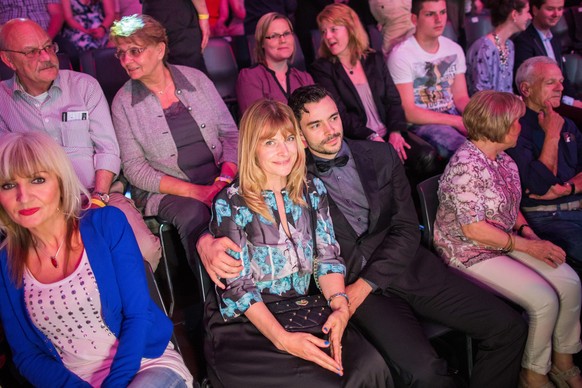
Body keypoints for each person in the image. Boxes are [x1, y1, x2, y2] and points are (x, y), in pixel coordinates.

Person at [198, 85, 528, 387]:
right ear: (300, 135)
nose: (330, 131)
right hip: (352, 291)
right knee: (420, 372)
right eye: (315, 126)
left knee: (509, 326)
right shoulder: (292, 175)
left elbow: (405, 228)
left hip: (402, 270)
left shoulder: (378, 157)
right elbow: (236, 209)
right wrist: (205, 240)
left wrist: (352, 294)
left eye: (333, 118)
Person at [204, 99, 392, 387]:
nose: (284, 151)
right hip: (249, 322)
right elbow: (239, 288)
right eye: (270, 142)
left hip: (304, 308)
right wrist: (282, 340)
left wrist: (340, 306)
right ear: (252, 147)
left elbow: (328, 259)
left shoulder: (312, 189)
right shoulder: (231, 202)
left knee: (370, 367)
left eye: (289, 138)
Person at [0, 131, 193, 387]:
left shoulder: (107, 224)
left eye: (37, 180)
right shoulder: (6, 261)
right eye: (8, 185)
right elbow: (27, 355)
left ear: (60, 182)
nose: (23, 196)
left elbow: (138, 315)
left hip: (145, 364)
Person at [434, 90, 582, 388]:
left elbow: (511, 208)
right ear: (498, 125)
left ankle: (563, 359)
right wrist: (527, 245)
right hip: (467, 252)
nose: (521, 127)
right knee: (543, 300)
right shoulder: (466, 167)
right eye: (516, 121)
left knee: (569, 282)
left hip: (503, 241)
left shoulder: (503, 160)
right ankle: (533, 373)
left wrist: (529, 233)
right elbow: (474, 230)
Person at [0, 18, 161, 270]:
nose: (46, 57)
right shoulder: (2, 102)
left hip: (98, 194)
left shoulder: (84, 86)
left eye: (48, 47)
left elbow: (107, 148)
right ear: (9, 61)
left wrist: (98, 198)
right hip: (39, 211)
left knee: (144, 249)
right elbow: (7, 172)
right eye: (32, 52)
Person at [109, 15, 238, 285]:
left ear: (160, 49)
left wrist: (224, 178)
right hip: (167, 191)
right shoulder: (123, 102)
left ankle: (261, 287)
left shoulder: (196, 79)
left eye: (135, 51)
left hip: (220, 177)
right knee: (196, 214)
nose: (126, 60)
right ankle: (219, 301)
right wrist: (198, 192)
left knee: (246, 202)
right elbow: (134, 168)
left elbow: (230, 134)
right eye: (121, 54)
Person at [311, 3, 437, 175]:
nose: (328, 36)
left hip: (390, 132)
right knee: (387, 165)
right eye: (324, 31)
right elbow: (340, 115)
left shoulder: (374, 59)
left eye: (334, 29)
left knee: (426, 155)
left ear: (350, 28)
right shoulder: (323, 69)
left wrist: (395, 131)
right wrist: (372, 136)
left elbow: (393, 99)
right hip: (360, 139)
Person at [505, 56, 582, 264]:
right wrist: (552, 135)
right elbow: (539, 187)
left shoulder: (567, 124)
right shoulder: (514, 130)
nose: (560, 87)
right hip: (544, 219)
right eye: (550, 82)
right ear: (526, 89)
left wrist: (568, 188)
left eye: (561, 81)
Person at [388, 0, 471, 159]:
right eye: (430, 14)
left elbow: (461, 97)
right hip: (423, 123)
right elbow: (409, 112)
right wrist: (457, 121)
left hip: (452, 113)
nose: (439, 20)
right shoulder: (401, 55)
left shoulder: (454, 49)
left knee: (494, 142)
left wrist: (480, 118)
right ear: (414, 19)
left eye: (442, 12)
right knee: (467, 154)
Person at [236, 12, 314, 115]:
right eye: (274, 36)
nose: (282, 40)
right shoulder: (250, 77)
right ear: (262, 42)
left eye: (286, 33)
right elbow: (259, 124)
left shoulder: (305, 78)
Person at [512, 0, 582, 105]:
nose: (556, 14)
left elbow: (564, 80)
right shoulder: (524, 41)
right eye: (550, 9)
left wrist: (577, 102)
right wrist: (570, 102)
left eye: (560, 9)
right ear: (535, 10)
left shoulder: (556, 40)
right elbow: (530, 87)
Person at [466, 0, 531, 95]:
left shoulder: (509, 45)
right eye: (527, 12)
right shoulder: (484, 48)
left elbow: (507, 89)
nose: (530, 17)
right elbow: (481, 94)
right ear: (514, 15)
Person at [142, 0, 210, 71]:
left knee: (161, 68)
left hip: (152, 13)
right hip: (177, 15)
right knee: (189, 72)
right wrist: (203, 15)